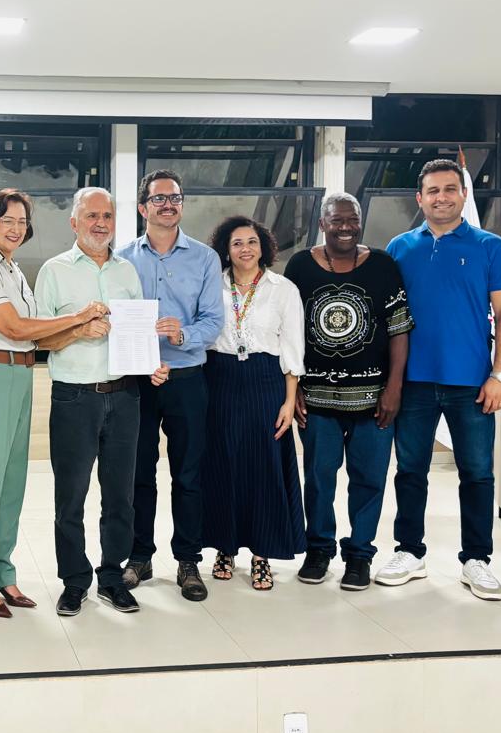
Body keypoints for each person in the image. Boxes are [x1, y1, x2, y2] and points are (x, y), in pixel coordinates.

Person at [0, 188, 108, 618]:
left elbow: (39, 337)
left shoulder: (13, 271)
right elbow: (16, 328)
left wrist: (78, 331)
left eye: (22, 222)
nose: (16, 229)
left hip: (19, 375)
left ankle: (3, 571)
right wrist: (79, 315)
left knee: (10, 485)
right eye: (8, 220)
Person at [380, 158, 501, 600]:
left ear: (463, 195)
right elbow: (388, 317)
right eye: (433, 191)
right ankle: (409, 551)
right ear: (419, 198)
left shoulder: (491, 247)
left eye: (449, 189)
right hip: (414, 382)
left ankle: (476, 559)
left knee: (477, 473)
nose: (441, 197)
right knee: (410, 471)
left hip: (472, 383)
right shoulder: (399, 247)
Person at [35, 188, 169, 616]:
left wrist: (152, 364)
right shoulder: (54, 271)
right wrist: (77, 330)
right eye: (91, 215)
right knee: (70, 497)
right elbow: (40, 339)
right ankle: (74, 581)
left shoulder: (127, 271)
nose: (100, 223)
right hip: (74, 397)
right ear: (74, 222)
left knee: (120, 497)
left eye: (107, 216)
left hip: (125, 396)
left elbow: (138, 334)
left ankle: (112, 577)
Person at [285, 193, 413, 591]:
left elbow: (399, 330)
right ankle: (318, 550)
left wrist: (394, 388)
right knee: (318, 479)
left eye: (352, 219)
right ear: (322, 223)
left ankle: (359, 555)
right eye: (337, 220)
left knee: (369, 480)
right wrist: (294, 388)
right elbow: (288, 332)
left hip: (374, 398)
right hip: (317, 399)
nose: (345, 227)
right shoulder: (300, 266)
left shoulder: (383, 265)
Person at [116, 169, 225, 602]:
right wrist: (143, 361)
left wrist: (182, 336)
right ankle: (139, 556)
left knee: (189, 474)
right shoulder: (122, 259)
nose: (168, 205)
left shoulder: (205, 258)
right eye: (159, 198)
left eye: (175, 198)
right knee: (138, 473)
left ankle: (188, 560)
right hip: (138, 383)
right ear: (143, 207)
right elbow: (117, 320)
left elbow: (213, 320)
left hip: (188, 379)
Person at [200, 216, 305, 590]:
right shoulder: (211, 285)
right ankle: (224, 548)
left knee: (264, 468)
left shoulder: (283, 289)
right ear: (225, 250)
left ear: (263, 247)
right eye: (237, 243)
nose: (245, 249)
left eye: (252, 242)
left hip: (266, 381)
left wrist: (289, 401)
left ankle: (262, 555)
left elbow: (292, 347)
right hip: (220, 379)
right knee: (222, 464)